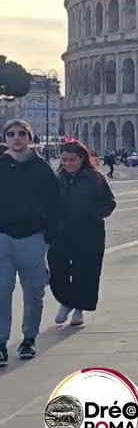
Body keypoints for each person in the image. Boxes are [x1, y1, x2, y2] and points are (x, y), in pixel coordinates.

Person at [0, 119, 63, 363]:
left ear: (30, 138)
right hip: (2, 237)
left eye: (22, 133)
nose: (17, 138)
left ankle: (29, 339)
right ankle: (1, 342)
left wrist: (49, 236)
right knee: (1, 291)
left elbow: (55, 205)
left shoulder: (42, 168)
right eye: (11, 133)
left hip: (32, 238)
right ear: (5, 138)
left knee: (34, 291)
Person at [49, 140, 116, 327]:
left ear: (82, 159)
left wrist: (91, 214)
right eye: (64, 160)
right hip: (61, 232)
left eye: (72, 159)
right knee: (57, 270)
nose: (68, 163)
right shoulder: (56, 178)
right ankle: (67, 300)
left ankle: (79, 308)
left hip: (89, 232)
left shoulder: (95, 178)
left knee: (85, 271)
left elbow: (109, 202)